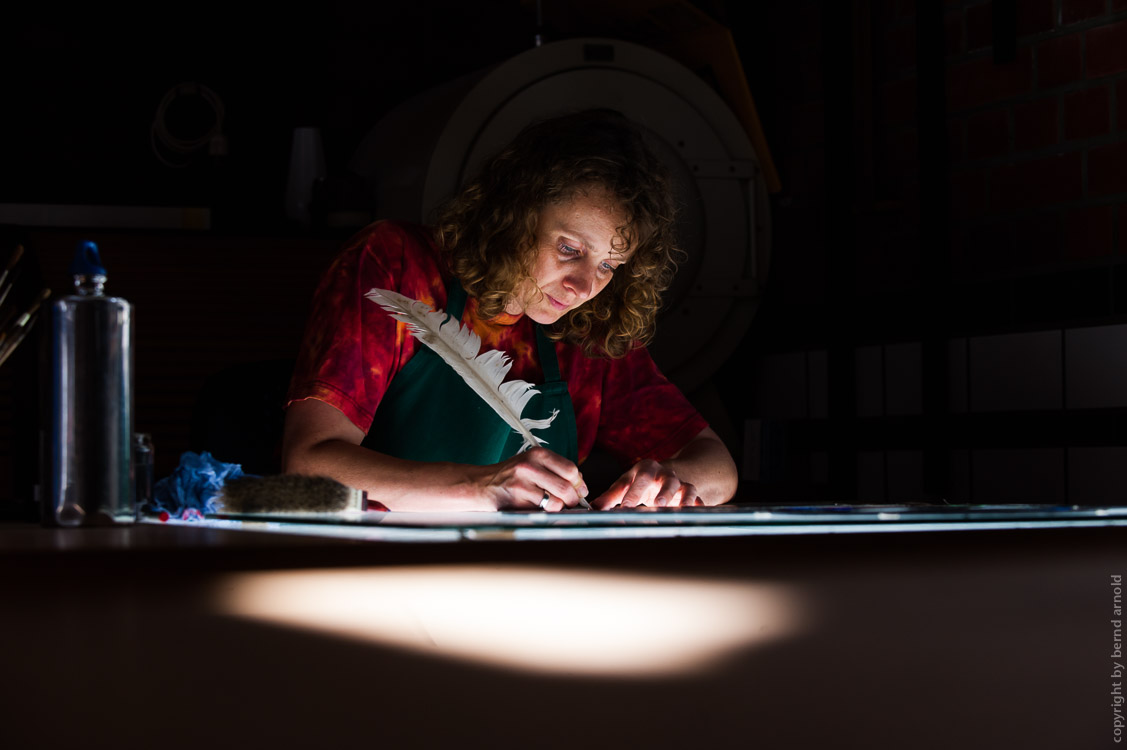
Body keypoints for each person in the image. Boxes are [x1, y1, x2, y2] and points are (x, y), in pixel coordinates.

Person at [282, 108, 738, 511]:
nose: (584, 286)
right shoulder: (397, 265)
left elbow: (716, 464)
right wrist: (480, 487)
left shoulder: (586, 334)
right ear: (516, 214)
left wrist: (669, 486)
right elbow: (309, 463)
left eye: (608, 265)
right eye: (569, 248)